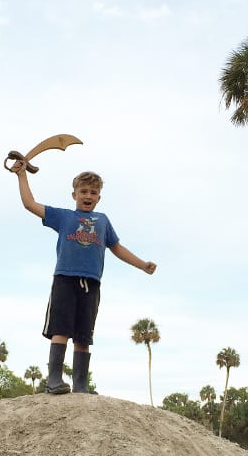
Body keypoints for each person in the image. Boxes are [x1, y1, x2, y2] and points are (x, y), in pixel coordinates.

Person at [13, 162, 156, 393]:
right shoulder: (63, 216)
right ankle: (54, 380)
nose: (88, 196)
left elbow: (117, 247)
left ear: (99, 197)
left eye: (93, 192)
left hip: (91, 283)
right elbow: (29, 204)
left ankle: (81, 384)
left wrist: (142, 265)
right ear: (74, 194)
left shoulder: (103, 221)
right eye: (83, 192)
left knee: (83, 335)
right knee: (60, 329)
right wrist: (21, 175)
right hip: (65, 280)